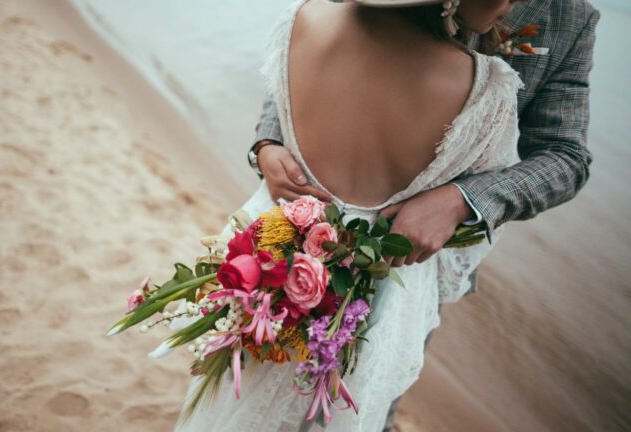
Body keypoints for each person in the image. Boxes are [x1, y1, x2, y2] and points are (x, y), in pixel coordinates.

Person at [175, 0, 565, 430]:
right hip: (384, 272)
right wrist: (267, 145)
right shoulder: (486, 87)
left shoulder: (302, 17)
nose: (509, 5)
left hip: (277, 239)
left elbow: (565, 157)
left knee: (241, 384)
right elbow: (483, 167)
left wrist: (458, 199)